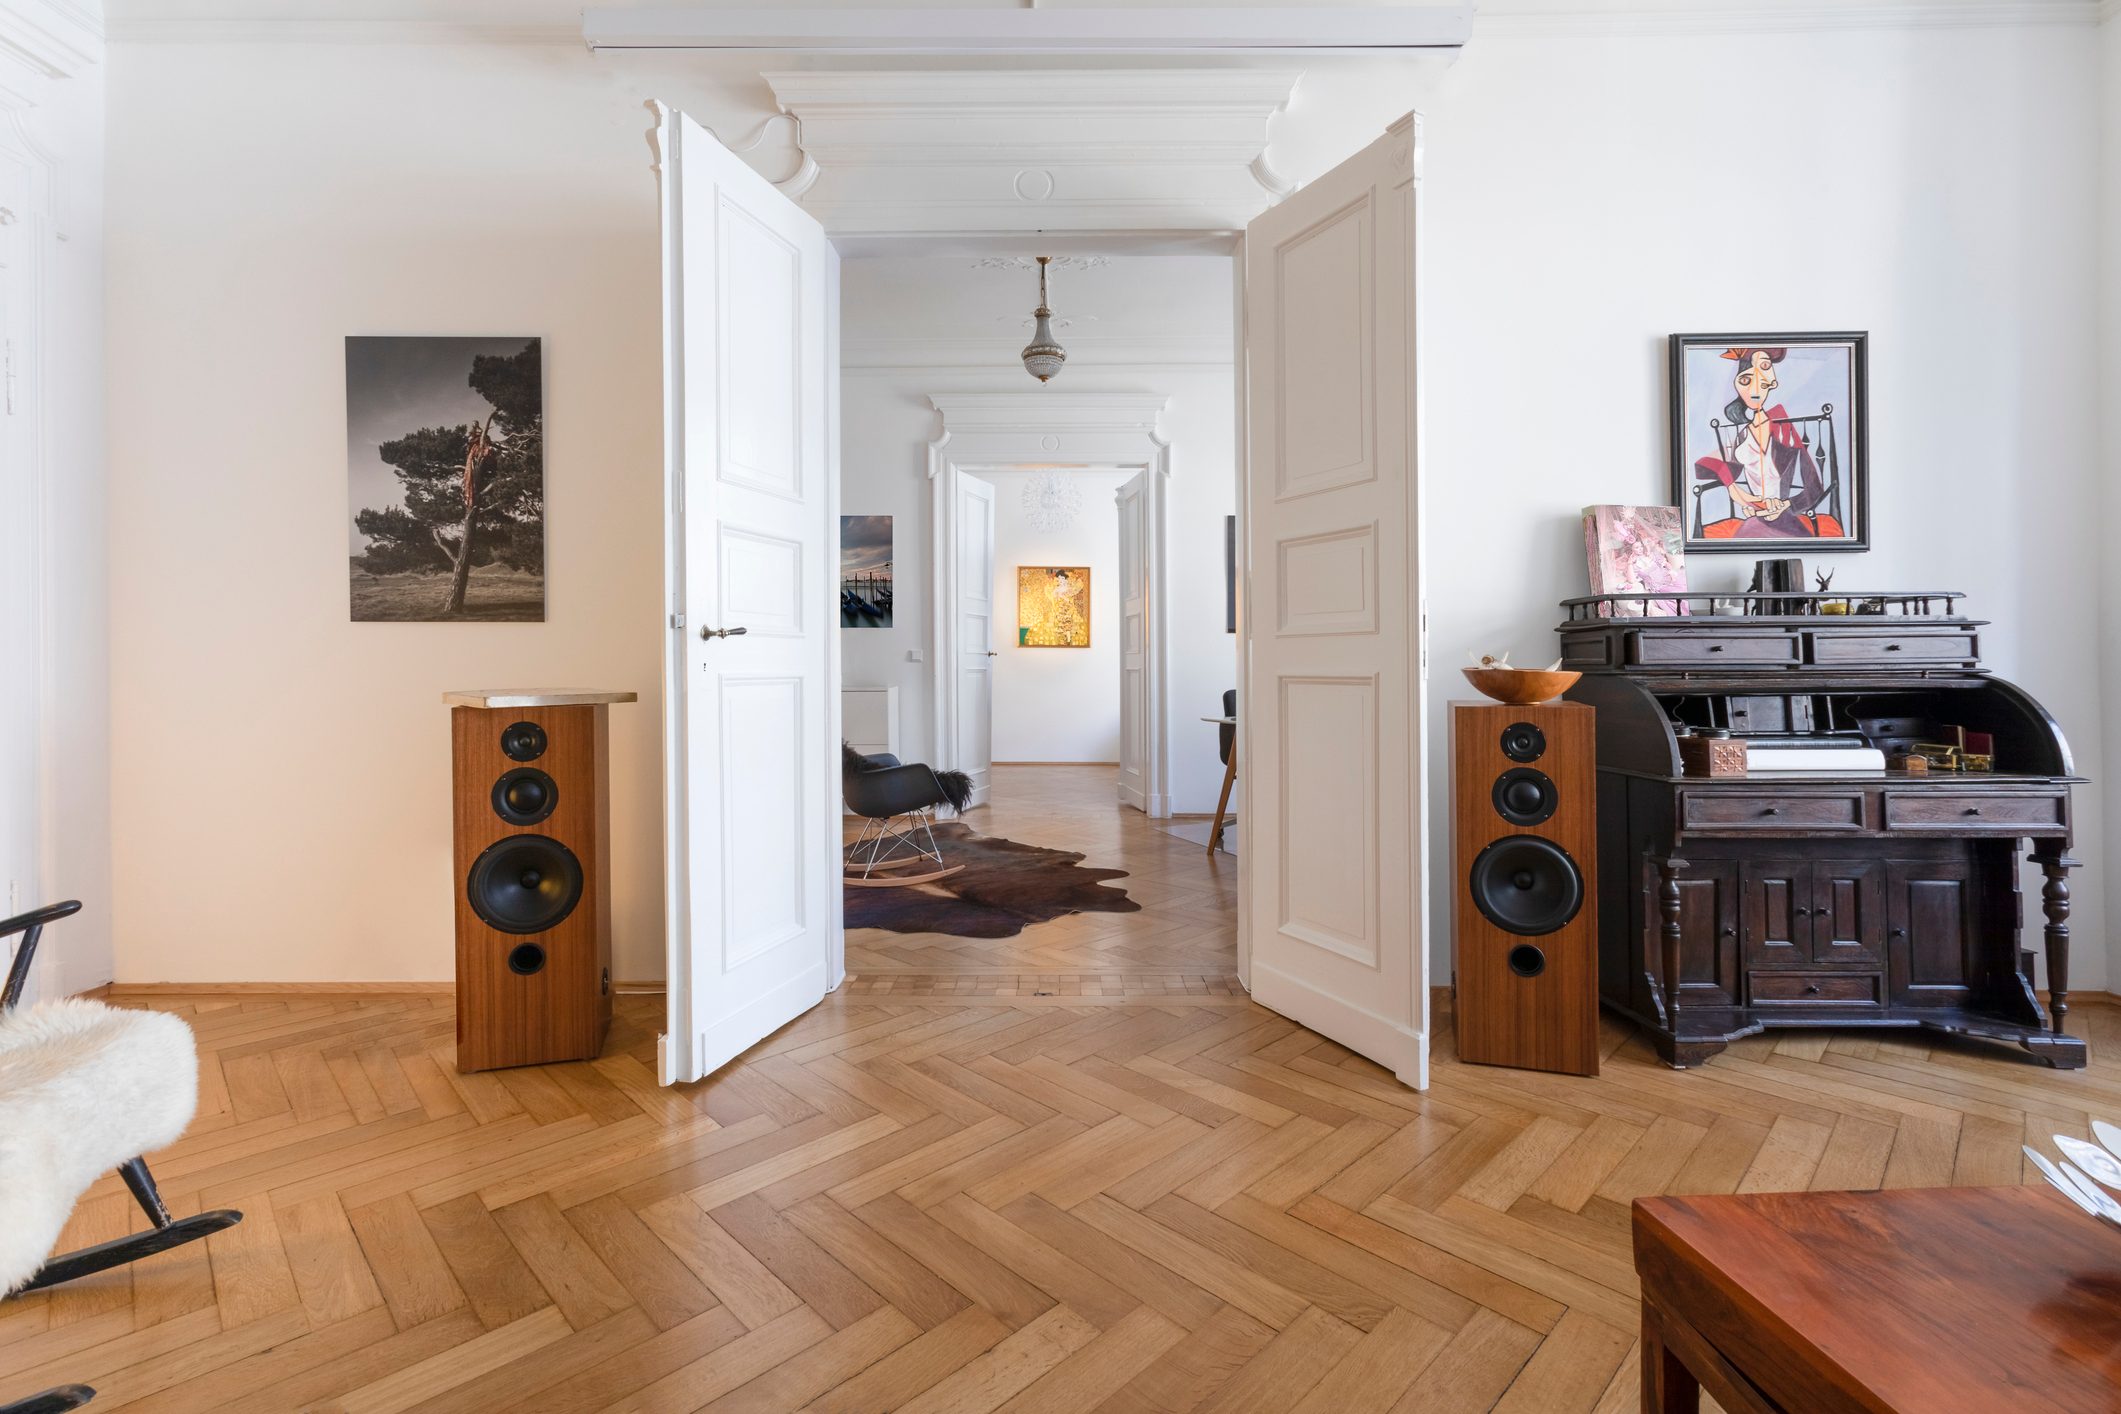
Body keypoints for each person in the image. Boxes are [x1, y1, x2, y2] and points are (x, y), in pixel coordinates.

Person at [1693, 347, 1830, 539]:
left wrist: (1786, 505)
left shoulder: (1782, 426)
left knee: (1752, 535)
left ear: (1771, 382)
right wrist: (1738, 494)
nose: (1754, 389)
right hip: (1757, 514)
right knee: (1746, 535)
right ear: (1737, 385)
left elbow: (1814, 487)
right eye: (1746, 380)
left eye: (1762, 377)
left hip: (1784, 516)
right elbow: (1703, 465)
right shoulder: (1742, 436)